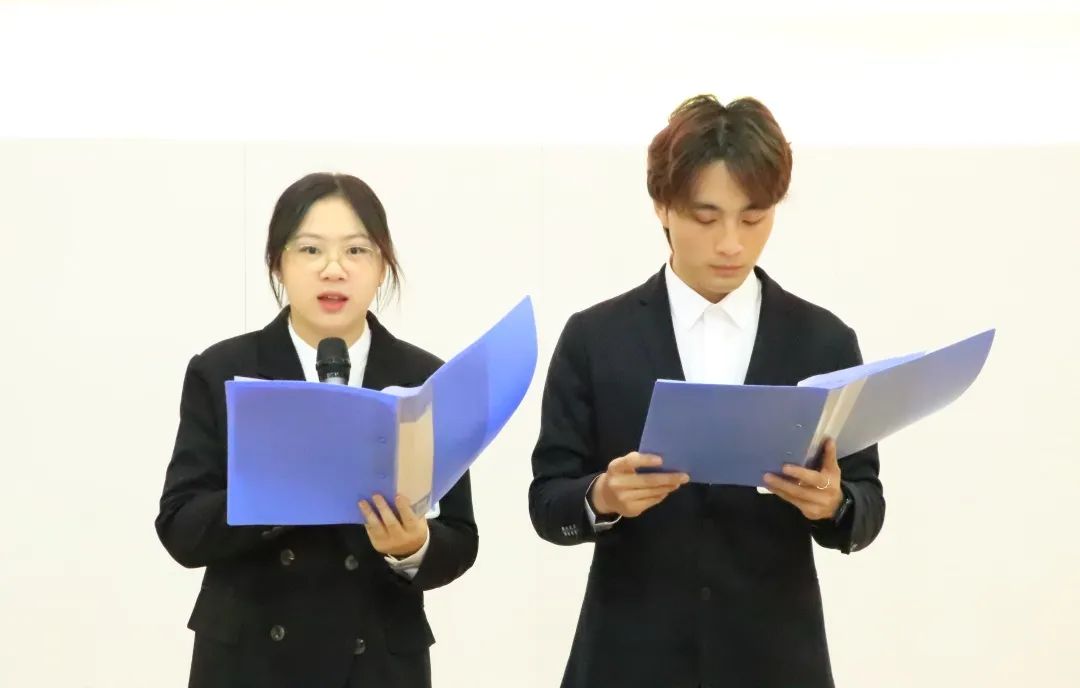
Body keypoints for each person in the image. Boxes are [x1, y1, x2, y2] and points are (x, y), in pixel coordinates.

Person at [529, 95, 885, 688]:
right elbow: (547, 501)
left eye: (753, 218)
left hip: (776, 661)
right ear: (662, 206)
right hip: (627, 660)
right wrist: (603, 496)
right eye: (705, 217)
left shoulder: (822, 341)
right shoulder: (596, 337)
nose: (731, 244)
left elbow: (866, 501)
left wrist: (834, 504)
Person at [156, 173, 477, 688]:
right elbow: (180, 530)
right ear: (277, 263)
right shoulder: (223, 370)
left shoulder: (424, 379)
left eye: (356, 250)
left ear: (382, 266)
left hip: (376, 663)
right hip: (250, 660)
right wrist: (275, 492)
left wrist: (412, 546)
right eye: (310, 249)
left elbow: (460, 539)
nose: (334, 269)